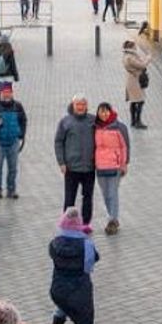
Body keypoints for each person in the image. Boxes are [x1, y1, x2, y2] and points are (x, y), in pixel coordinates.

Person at [48, 207, 101, 324]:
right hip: (80, 288)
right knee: (83, 321)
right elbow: (94, 260)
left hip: (58, 287)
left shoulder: (54, 244)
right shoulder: (87, 245)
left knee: (63, 305)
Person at [53, 96, 96, 226]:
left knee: (88, 197)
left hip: (89, 167)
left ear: (86, 106)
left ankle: (86, 223)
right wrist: (61, 162)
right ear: (73, 105)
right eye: (78, 104)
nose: (81, 107)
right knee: (69, 198)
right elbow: (58, 142)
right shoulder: (65, 122)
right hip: (71, 168)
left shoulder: (93, 121)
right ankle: (67, 223)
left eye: (83, 104)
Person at [93, 103, 130, 235]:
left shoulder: (119, 127)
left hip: (115, 166)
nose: (104, 114)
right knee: (105, 194)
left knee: (112, 193)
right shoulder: (94, 127)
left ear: (111, 112)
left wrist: (124, 164)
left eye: (106, 111)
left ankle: (113, 219)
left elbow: (125, 146)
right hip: (100, 166)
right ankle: (112, 216)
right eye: (101, 112)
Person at [0, 82, 27, 201]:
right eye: (4, 93)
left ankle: (11, 190)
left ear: (12, 93)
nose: (6, 95)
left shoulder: (18, 106)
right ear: (0, 94)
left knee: (13, 168)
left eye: (8, 92)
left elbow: (23, 120)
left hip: (13, 142)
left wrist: (21, 134)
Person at [122, 35, 151, 130]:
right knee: (139, 101)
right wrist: (148, 59)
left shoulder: (129, 55)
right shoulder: (130, 57)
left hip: (133, 80)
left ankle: (134, 121)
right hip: (135, 81)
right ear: (131, 47)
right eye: (134, 46)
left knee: (134, 101)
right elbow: (142, 65)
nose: (136, 48)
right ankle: (137, 121)